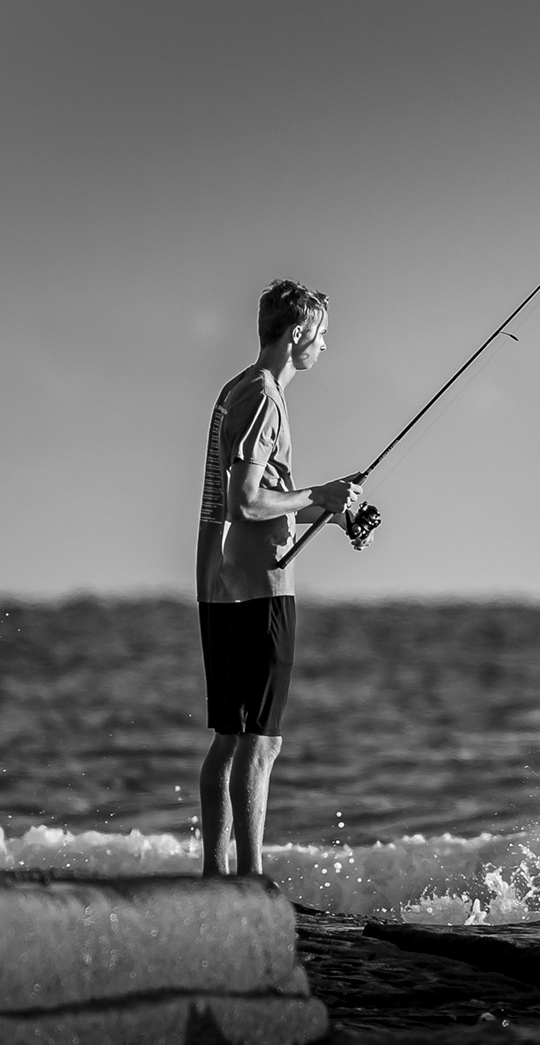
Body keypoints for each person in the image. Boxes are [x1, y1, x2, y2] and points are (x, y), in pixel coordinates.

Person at [195, 280, 364, 876]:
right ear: (298, 334)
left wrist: (328, 507)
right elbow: (245, 501)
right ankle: (248, 878)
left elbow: (264, 497)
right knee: (259, 741)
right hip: (256, 589)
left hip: (225, 584)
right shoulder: (263, 396)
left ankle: (220, 881)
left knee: (230, 736)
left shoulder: (239, 389)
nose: (325, 344)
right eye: (322, 333)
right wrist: (315, 494)